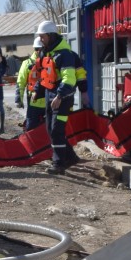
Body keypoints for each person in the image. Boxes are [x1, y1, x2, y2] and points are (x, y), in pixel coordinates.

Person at [32, 20, 81, 175]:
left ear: (51, 35)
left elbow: (69, 78)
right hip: (49, 95)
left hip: (62, 98)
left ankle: (58, 164)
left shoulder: (65, 55)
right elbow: (43, 75)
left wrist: (60, 95)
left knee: (56, 130)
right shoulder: (47, 53)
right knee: (50, 129)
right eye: (39, 36)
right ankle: (71, 157)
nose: (41, 39)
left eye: (43, 36)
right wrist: (37, 91)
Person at [15, 36, 47, 131]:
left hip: (48, 102)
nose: (38, 51)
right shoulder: (27, 63)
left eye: (40, 49)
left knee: (47, 130)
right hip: (34, 102)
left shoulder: (49, 61)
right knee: (31, 129)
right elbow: (21, 82)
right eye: (37, 49)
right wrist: (18, 99)